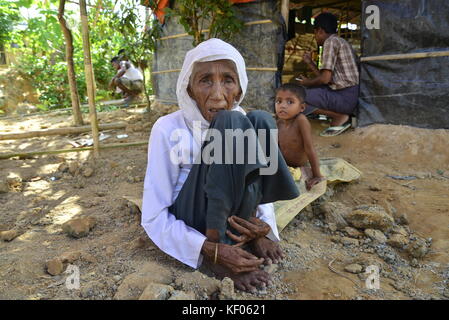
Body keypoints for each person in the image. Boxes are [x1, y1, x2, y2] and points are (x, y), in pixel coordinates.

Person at [141, 38, 299, 293]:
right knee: (230, 123)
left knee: (260, 120)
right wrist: (211, 251)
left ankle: (246, 232)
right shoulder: (167, 128)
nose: (217, 94)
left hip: (236, 212)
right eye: (205, 80)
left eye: (227, 80)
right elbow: (153, 216)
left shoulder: (245, 121)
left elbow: (256, 181)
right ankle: (221, 251)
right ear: (189, 89)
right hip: (195, 218)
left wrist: (263, 229)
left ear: (239, 89)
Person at [296, 12, 359, 137]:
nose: (315, 37)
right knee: (303, 91)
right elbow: (327, 77)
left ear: (320, 30)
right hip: (350, 96)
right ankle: (339, 115)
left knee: (296, 95)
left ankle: (339, 116)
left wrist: (307, 82)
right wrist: (310, 63)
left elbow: (324, 79)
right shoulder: (340, 41)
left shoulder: (330, 42)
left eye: (315, 33)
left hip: (345, 97)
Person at [275, 83, 323, 190]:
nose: (282, 105)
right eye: (279, 101)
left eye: (290, 102)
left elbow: (309, 148)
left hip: (300, 168)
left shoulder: (301, 121)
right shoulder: (278, 123)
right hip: (285, 167)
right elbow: (275, 149)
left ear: (301, 107)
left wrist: (317, 175)